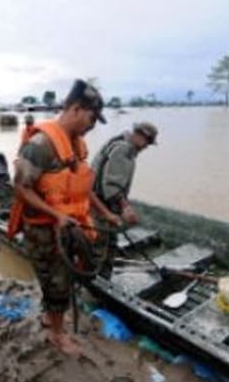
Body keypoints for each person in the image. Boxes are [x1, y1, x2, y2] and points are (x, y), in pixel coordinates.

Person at [9, 79, 123, 355]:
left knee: (61, 279)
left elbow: (81, 187)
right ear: (74, 108)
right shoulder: (40, 145)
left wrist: (105, 212)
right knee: (57, 283)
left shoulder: (76, 145)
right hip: (43, 231)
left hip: (69, 226)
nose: (93, 125)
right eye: (92, 117)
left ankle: (52, 317)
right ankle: (57, 335)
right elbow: (21, 187)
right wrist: (56, 215)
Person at [90, 121, 158, 278]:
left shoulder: (118, 141)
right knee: (101, 246)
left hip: (96, 201)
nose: (146, 147)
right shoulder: (124, 150)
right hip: (102, 205)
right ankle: (95, 283)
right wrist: (125, 207)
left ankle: (102, 278)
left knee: (109, 243)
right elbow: (112, 186)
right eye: (147, 142)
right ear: (140, 136)